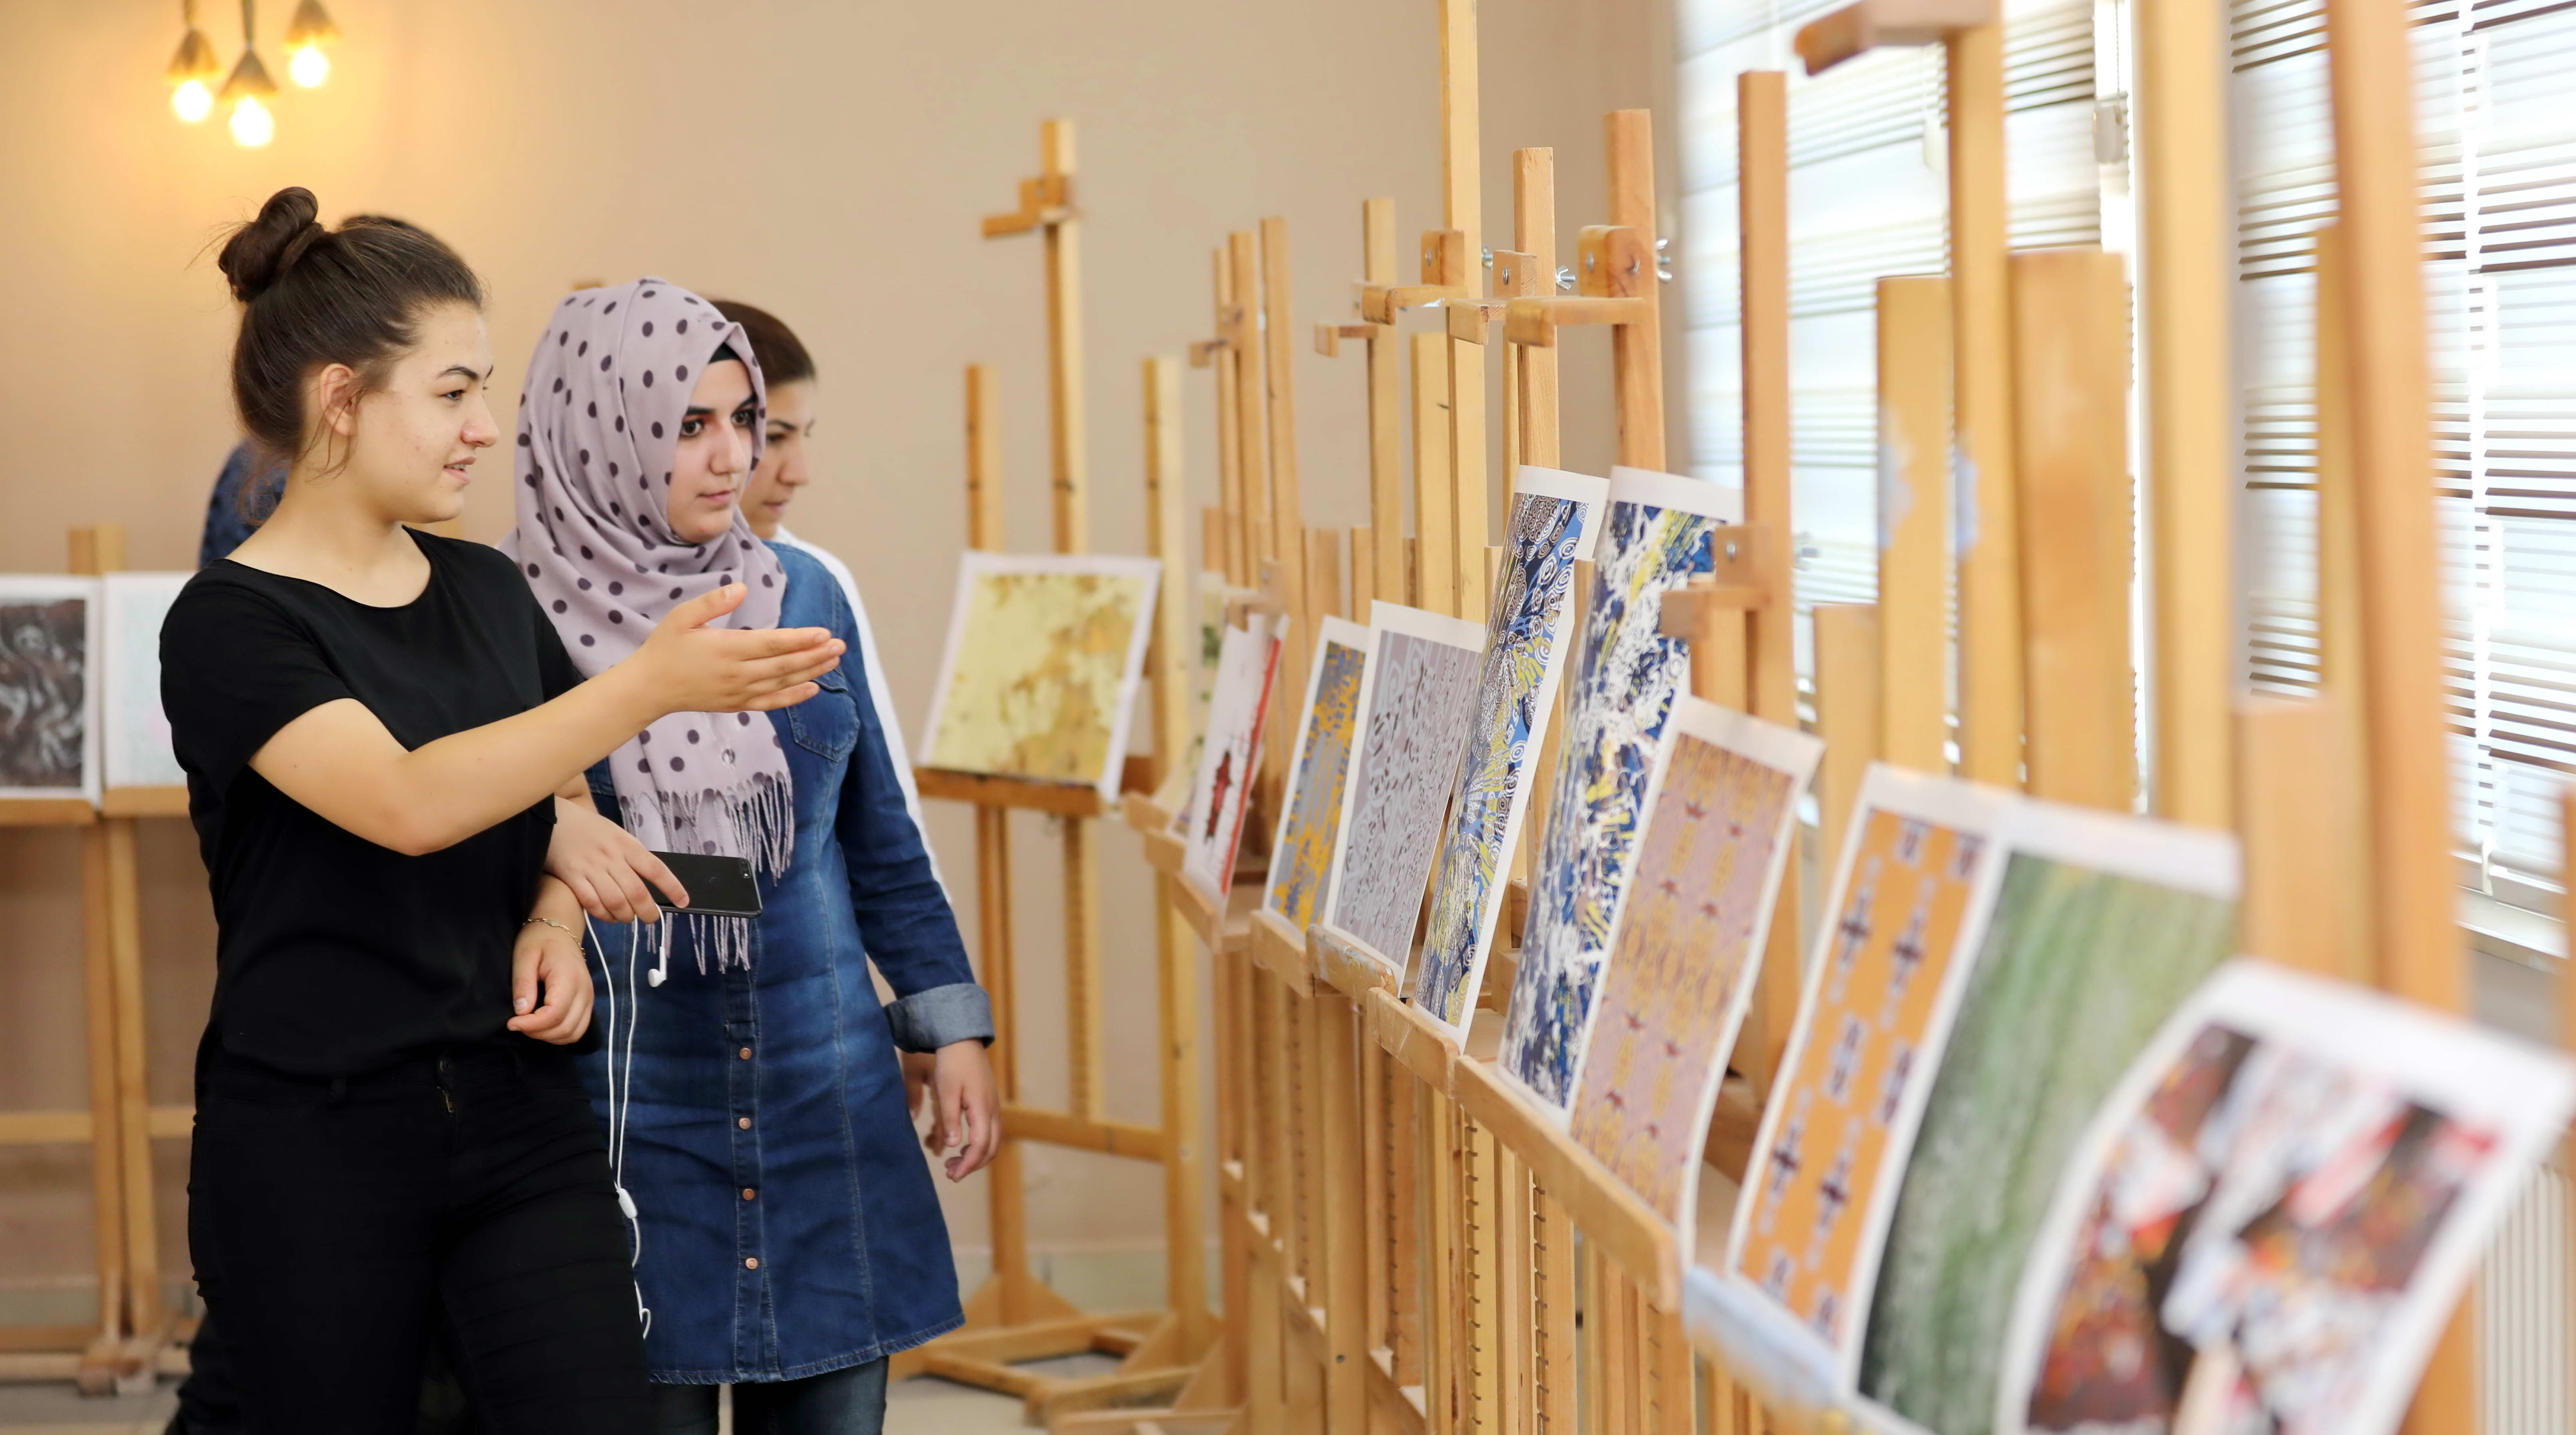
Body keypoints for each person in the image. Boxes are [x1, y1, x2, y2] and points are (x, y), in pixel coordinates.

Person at [160, 188, 844, 1434]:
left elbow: (554, 795)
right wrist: (651, 686)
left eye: (485, 391)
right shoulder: (230, 622)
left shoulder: (482, 587)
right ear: (341, 399)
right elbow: (409, 802)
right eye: (454, 392)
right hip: (316, 1139)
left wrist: (548, 918)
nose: (486, 427)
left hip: (520, 1116)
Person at [516, 278, 998, 1435]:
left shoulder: (804, 592)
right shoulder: (505, 614)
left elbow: (877, 836)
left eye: (743, 420)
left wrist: (950, 1027)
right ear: (605, 425)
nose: (733, 455)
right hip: (622, 1113)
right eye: (691, 424)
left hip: (823, 1096)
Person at [710, 298, 943, 1113]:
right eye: (774, 436)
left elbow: (883, 817)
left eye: (802, 436)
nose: (797, 470)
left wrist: (925, 1008)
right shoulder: (543, 594)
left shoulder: (814, 583)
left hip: (810, 1019)